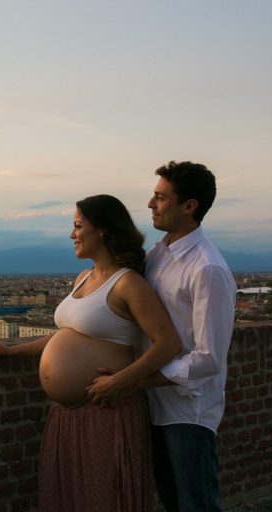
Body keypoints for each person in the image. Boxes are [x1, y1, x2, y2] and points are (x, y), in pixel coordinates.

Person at [0, 194, 181, 512]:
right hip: (66, 414)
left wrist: (122, 382)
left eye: (77, 226)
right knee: (70, 497)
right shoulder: (82, 278)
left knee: (104, 496)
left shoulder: (128, 284)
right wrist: (11, 351)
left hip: (106, 407)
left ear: (103, 231)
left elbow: (168, 343)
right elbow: (65, 337)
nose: (72, 234)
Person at [91, 161, 236, 512]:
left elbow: (208, 358)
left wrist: (133, 380)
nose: (150, 204)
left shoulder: (207, 269)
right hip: (154, 405)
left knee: (196, 504)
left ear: (189, 206)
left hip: (188, 410)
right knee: (172, 502)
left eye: (160, 197)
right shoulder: (158, 255)